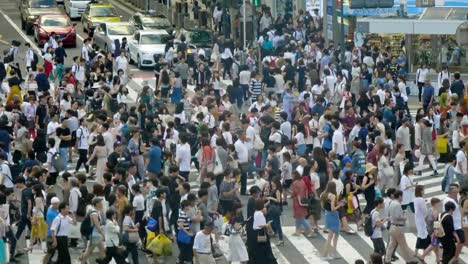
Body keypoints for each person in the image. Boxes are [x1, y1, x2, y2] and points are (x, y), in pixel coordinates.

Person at [385, 190, 421, 263]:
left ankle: (387, 260)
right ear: (400, 196)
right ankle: (409, 260)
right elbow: (398, 217)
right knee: (403, 245)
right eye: (402, 196)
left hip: (392, 226)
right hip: (398, 227)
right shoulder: (397, 204)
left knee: (391, 244)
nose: (403, 198)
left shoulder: (391, 202)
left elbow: (393, 215)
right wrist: (404, 216)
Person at [320, 181, 345, 260]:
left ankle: (332, 253)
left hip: (327, 215)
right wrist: (340, 205)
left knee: (333, 235)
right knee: (332, 236)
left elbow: (325, 206)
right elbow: (333, 209)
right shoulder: (333, 195)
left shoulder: (323, 194)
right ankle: (326, 254)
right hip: (333, 215)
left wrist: (338, 203)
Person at [43, 197, 60, 264]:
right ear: (53, 204)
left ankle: (49, 262)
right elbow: (50, 225)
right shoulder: (50, 212)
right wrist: (54, 235)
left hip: (56, 233)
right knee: (50, 251)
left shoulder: (55, 210)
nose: (57, 205)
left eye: (58, 204)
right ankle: (45, 262)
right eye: (56, 204)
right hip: (51, 234)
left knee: (53, 251)